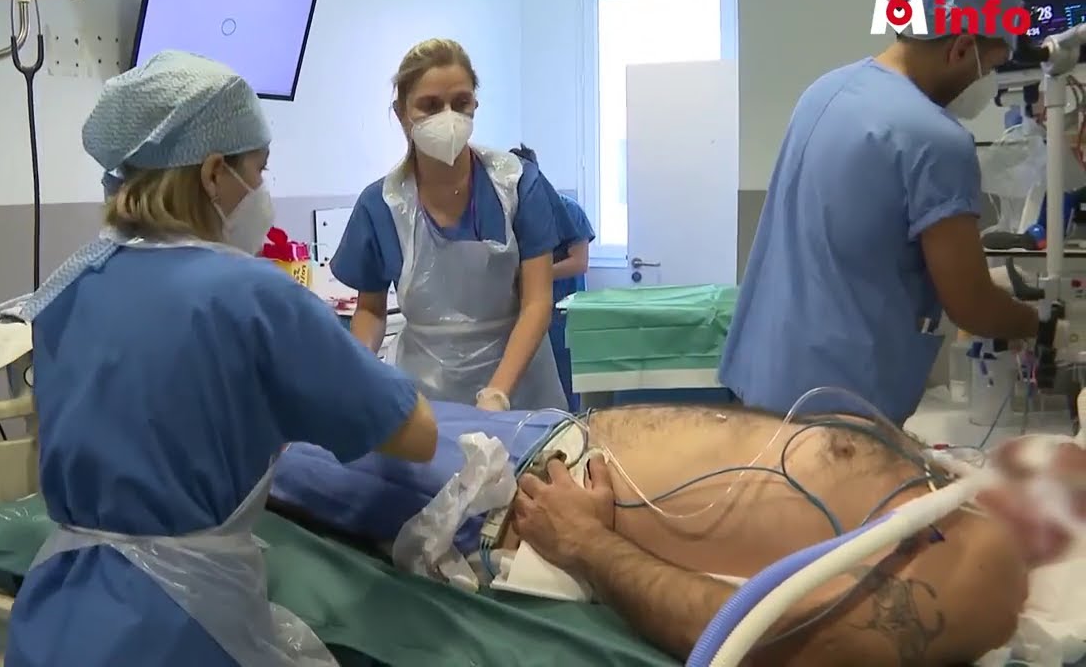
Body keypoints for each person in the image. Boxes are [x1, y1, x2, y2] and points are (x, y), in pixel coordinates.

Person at [3, 51, 440, 667]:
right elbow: (417, 436)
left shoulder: (69, 285)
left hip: (58, 616)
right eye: (258, 171)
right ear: (214, 174)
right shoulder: (252, 293)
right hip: (177, 627)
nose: (262, 191)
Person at [273, 400, 1085, 665]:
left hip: (500, 495)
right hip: (537, 431)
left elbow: (769, 630)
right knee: (283, 400)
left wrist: (589, 545)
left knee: (249, 442)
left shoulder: (992, 573)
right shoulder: (987, 504)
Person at [720, 0, 1065, 426]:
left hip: (762, 382)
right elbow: (971, 303)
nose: (987, 83)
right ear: (962, 48)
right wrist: (1041, 327)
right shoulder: (936, 140)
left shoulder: (825, 91)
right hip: (836, 410)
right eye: (993, 66)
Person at [330, 39, 570, 413]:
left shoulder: (517, 184)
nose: (448, 116)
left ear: (475, 104)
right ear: (401, 112)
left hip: (519, 389)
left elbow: (537, 301)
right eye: (429, 105)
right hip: (428, 394)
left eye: (461, 103)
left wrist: (497, 394)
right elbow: (372, 310)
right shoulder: (382, 205)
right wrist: (353, 376)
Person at [512, 145, 596, 411]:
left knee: (565, 388)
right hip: (522, 313)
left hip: (562, 315)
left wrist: (533, 273)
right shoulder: (510, 214)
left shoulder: (568, 210)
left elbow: (579, 263)